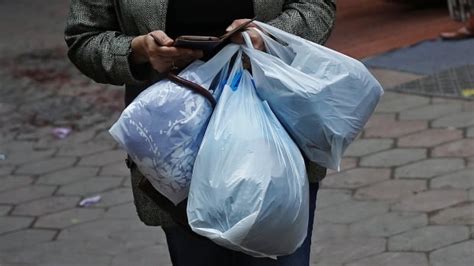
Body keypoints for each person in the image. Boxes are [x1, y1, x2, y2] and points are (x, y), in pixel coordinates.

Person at [65, 1, 336, 265]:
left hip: (275, 139)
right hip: (174, 154)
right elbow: (85, 37)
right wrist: (138, 51)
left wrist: (267, 36)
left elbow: (316, 6)